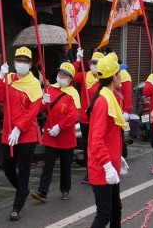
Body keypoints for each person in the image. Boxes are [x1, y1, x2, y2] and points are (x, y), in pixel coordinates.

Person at [0, 47, 43, 222]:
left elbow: (33, 110)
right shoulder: (8, 79)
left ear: (30, 64)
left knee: (24, 171)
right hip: (8, 132)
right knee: (7, 168)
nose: (21, 63)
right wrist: (0, 78)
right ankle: (23, 191)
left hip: (26, 134)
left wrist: (19, 127)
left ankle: (17, 207)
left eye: (25, 61)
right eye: (18, 60)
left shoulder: (34, 83)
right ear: (14, 62)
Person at [86, 54, 129, 228]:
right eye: (120, 73)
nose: (122, 77)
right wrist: (107, 164)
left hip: (110, 163)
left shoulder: (109, 96)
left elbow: (110, 135)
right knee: (104, 215)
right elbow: (96, 139)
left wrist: (118, 157)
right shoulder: (103, 101)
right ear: (113, 76)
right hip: (102, 167)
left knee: (116, 209)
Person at [31, 62, 80, 203]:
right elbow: (40, 109)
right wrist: (44, 103)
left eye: (65, 75)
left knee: (65, 165)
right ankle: (42, 191)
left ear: (70, 78)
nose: (61, 76)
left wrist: (60, 127)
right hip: (51, 135)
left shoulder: (73, 94)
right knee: (48, 164)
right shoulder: (50, 89)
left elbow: (73, 116)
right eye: (60, 73)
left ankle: (65, 189)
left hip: (65, 136)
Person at [73, 51, 104, 184]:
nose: (94, 65)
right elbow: (71, 75)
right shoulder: (85, 76)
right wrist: (77, 61)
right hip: (85, 119)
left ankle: (101, 169)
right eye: (93, 63)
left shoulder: (105, 79)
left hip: (99, 119)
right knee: (87, 146)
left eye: (97, 63)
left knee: (98, 145)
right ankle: (89, 171)